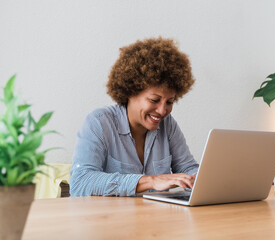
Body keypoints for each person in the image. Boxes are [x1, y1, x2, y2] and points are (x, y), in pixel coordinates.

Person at [70, 37, 199, 197]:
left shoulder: (168, 125)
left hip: (158, 219)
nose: (162, 110)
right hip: (112, 219)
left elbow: (187, 168)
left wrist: (202, 179)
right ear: (130, 91)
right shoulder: (99, 123)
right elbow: (80, 182)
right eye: (154, 100)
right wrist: (150, 181)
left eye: (170, 102)